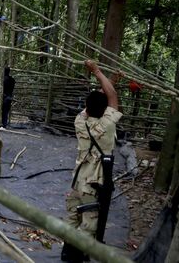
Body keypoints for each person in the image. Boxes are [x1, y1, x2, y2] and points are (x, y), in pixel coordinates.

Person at [61, 60, 122, 262]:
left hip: (77, 179)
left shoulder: (80, 121)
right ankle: (78, 256)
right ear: (105, 110)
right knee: (89, 223)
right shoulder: (107, 125)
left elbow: (101, 100)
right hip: (94, 183)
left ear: (86, 107)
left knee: (72, 217)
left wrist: (109, 78)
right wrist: (97, 71)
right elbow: (111, 97)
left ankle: (67, 252)